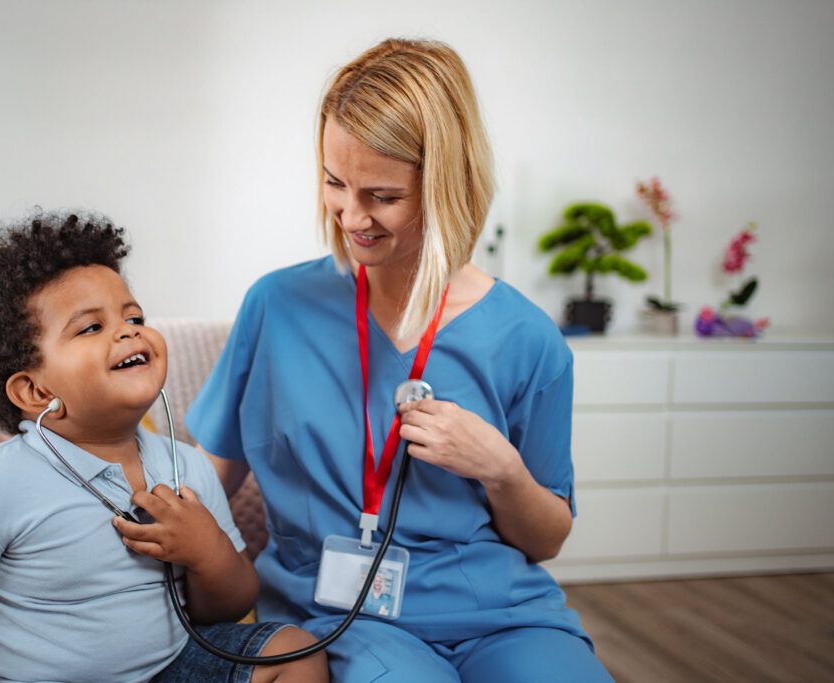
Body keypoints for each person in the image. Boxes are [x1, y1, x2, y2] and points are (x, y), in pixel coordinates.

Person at [120, 39, 614, 681]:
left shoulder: (526, 337)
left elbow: (546, 539)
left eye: (381, 195)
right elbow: (208, 477)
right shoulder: (278, 306)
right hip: (340, 618)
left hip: (504, 617)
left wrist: (501, 470)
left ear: (445, 184)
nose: (351, 215)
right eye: (334, 182)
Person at [0, 212, 327, 683]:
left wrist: (207, 554)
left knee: (296, 654)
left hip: (168, 669)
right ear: (35, 393)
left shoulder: (187, 467)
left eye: (134, 317)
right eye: (90, 328)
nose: (128, 331)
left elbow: (225, 609)